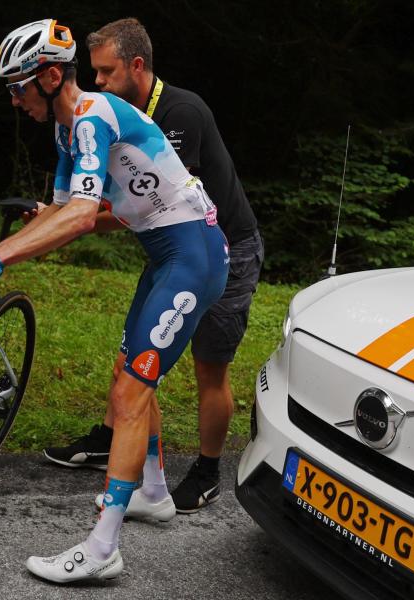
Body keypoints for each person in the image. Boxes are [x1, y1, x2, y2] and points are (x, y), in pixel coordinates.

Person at [0, 19, 228, 583]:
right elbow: (56, 212)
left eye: (18, 86)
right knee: (129, 374)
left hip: (194, 256)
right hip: (167, 256)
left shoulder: (92, 117)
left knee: (130, 393)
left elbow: (81, 218)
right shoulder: (63, 132)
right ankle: (152, 489)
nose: (13, 99)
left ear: (52, 77)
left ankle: (104, 550)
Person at [42, 17, 264, 516]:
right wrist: (62, 218)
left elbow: (158, 204)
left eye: (105, 72)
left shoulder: (179, 112)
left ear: (136, 66)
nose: (96, 82)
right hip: (170, 251)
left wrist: (77, 220)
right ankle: (125, 449)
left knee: (209, 366)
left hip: (226, 244)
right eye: (93, 72)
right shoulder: (113, 112)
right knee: (135, 359)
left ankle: (207, 472)